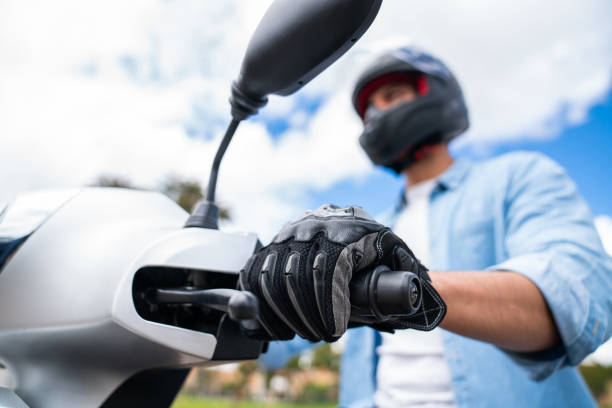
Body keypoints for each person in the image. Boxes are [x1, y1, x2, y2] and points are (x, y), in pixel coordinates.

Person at [239, 46, 612, 407]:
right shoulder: (365, 229)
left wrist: (395, 287)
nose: (376, 113)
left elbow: (575, 296)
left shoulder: (516, 178)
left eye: (393, 94)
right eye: (369, 109)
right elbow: (277, 342)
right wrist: (235, 303)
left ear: (437, 96)